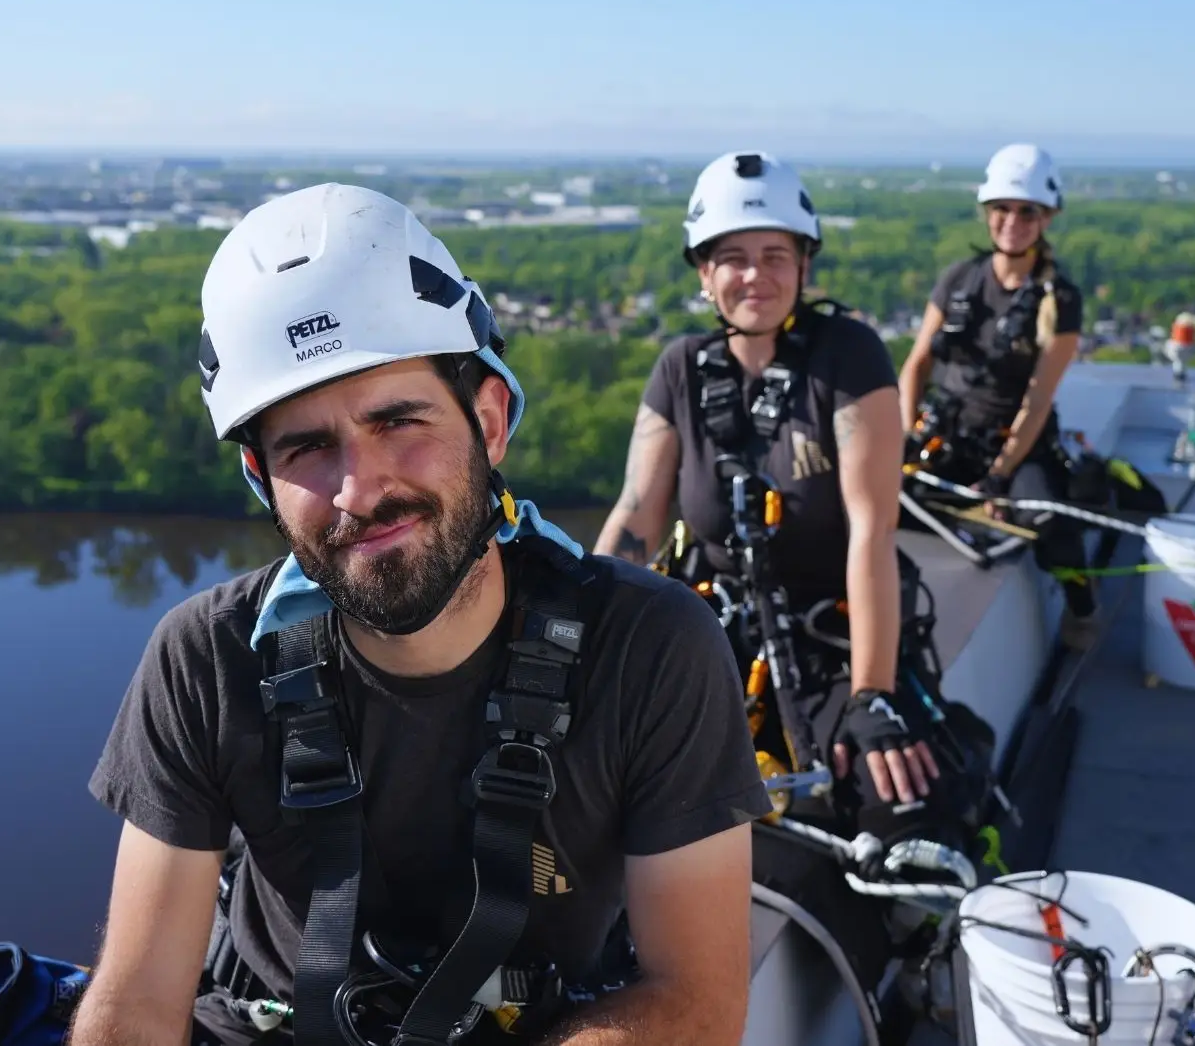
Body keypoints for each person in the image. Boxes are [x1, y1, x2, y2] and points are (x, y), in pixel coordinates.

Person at [69, 185, 773, 1046]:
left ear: (489, 419)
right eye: (308, 448)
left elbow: (696, 1002)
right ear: (263, 479)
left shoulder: (651, 650)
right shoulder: (207, 659)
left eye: (399, 420)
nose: (360, 491)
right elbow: (138, 1002)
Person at [593, 151, 939, 812]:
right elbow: (635, 518)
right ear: (704, 272)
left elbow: (873, 529)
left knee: (884, 801)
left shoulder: (847, 353)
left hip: (829, 636)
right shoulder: (681, 370)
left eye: (775, 255)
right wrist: (576, 638)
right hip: (711, 632)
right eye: (734, 257)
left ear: (804, 265)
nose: (756, 275)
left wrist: (872, 694)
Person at [897, 142, 1098, 649]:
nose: (1012, 221)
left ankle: (1081, 607)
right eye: (1002, 209)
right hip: (947, 433)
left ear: (1046, 217)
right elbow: (918, 363)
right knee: (886, 502)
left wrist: (1001, 476)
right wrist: (902, 436)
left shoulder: (1059, 299)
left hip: (1014, 441)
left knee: (1048, 519)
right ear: (988, 213)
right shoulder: (960, 280)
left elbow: (1037, 398)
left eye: (1026, 211)